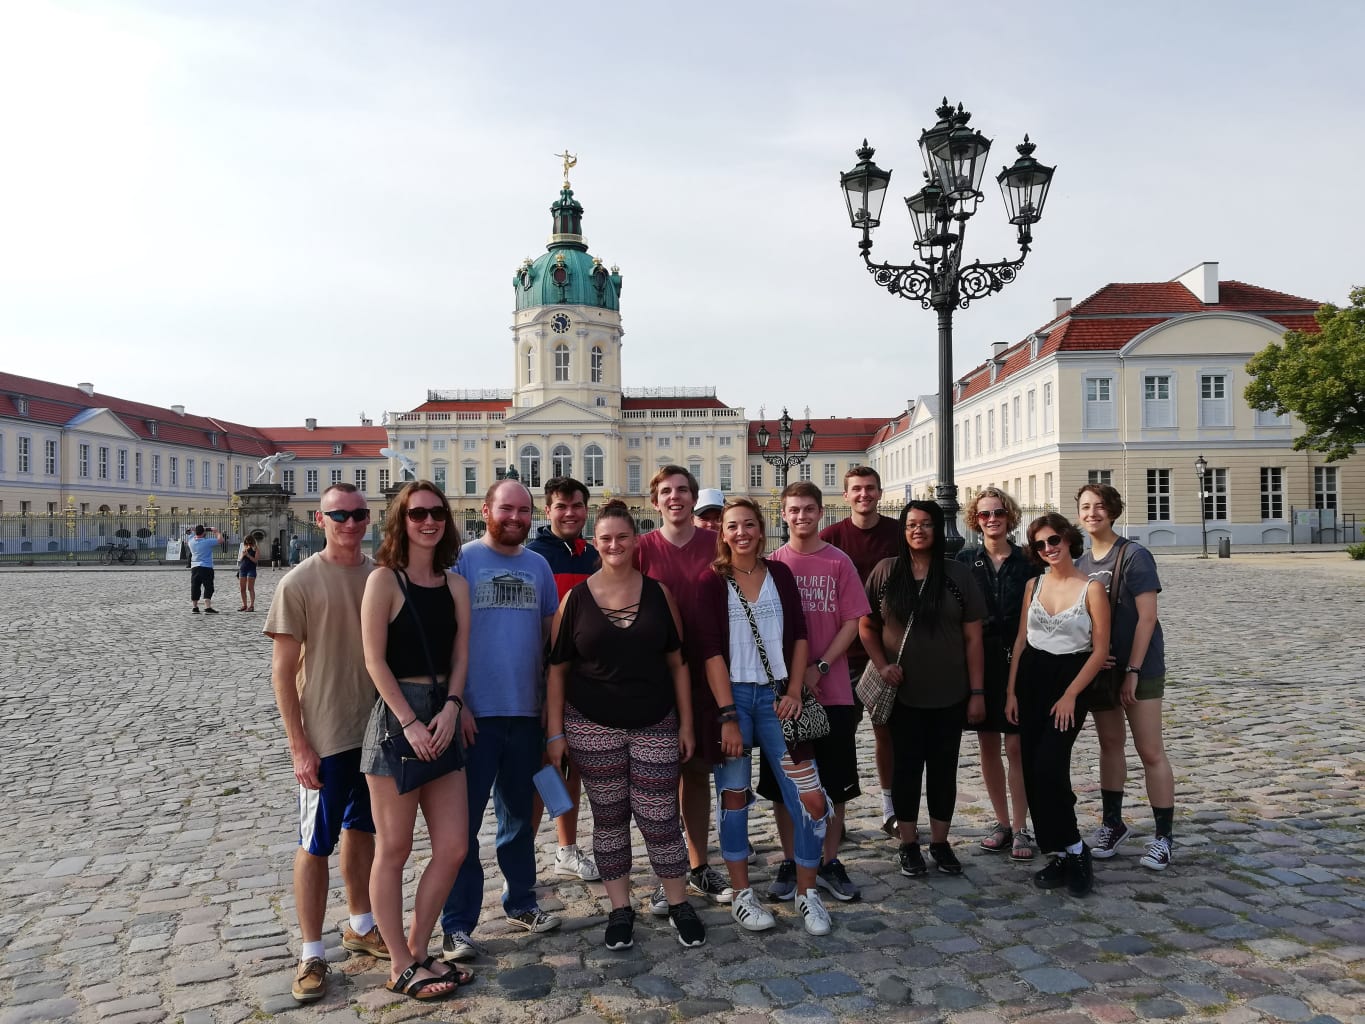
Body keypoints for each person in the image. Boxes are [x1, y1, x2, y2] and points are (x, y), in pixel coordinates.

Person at [546, 500, 706, 950]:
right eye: (605, 538)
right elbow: (557, 670)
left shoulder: (658, 594)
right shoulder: (575, 600)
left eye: (622, 537)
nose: (614, 544)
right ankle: (620, 909)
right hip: (591, 725)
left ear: (636, 542)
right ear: (594, 544)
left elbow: (678, 664)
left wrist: (687, 725)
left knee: (660, 817)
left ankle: (678, 903)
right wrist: (555, 733)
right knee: (609, 819)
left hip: (655, 720)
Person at [264, 483, 386, 1004]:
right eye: (341, 515)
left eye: (359, 514)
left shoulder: (381, 574)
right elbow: (282, 671)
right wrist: (298, 744)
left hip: (376, 732)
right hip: (326, 731)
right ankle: (311, 950)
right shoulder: (299, 582)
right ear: (320, 519)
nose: (351, 523)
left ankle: (360, 923)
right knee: (315, 844)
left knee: (364, 830)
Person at [697, 497, 834, 936]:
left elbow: (798, 635)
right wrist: (727, 716)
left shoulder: (780, 574)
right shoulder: (711, 581)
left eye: (749, 524)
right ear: (723, 532)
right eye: (733, 525)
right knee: (734, 799)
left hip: (779, 697)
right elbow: (711, 652)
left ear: (761, 529)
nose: (741, 532)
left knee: (811, 801)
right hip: (733, 697)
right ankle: (741, 894)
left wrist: (794, 689)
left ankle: (807, 893)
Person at [439, 479, 562, 964]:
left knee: (518, 819)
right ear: (486, 510)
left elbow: (551, 642)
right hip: (474, 715)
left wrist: (553, 717)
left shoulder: (539, 566)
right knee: (462, 826)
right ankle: (457, 924)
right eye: (506, 508)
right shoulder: (464, 561)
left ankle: (521, 901)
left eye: (524, 510)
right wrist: (457, 702)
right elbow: (445, 636)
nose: (515, 517)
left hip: (525, 713)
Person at [360, 481, 472, 1001]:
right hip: (397, 719)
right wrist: (409, 721)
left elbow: (461, 657)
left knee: (452, 846)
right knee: (395, 847)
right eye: (417, 513)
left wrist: (451, 707)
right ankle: (401, 963)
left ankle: (420, 947)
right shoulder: (384, 580)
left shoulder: (455, 586)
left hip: (443, 714)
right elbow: (374, 660)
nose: (428, 521)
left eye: (437, 513)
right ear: (401, 521)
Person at [859, 501, 986, 879]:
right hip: (903, 693)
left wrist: (977, 692)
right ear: (903, 530)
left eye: (926, 524)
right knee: (906, 769)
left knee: (944, 769)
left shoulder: (957, 575)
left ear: (937, 529)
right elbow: (866, 624)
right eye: (911, 524)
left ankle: (941, 843)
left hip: (949, 690)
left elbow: (974, 639)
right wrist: (882, 664)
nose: (918, 530)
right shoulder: (886, 572)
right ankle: (908, 843)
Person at [759, 482, 870, 904]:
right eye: (793, 509)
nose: (801, 516)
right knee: (785, 783)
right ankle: (790, 859)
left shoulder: (838, 562)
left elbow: (851, 620)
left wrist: (820, 667)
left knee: (835, 785)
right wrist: (791, 678)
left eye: (808, 509)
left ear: (821, 512)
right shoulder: (772, 564)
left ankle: (827, 860)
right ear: (783, 514)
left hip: (834, 690)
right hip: (784, 695)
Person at [635, 465, 733, 911]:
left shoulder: (717, 544)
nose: (675, 498)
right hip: (653, 674)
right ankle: (665, 870)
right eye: (667, 492)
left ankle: (697, 864)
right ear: (655, 501)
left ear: (694, 498)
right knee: (659, 778)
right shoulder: (641, 549)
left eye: (683, 491)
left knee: (696, 771)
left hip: (707, 669)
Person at [1006, 513, 1110, 897]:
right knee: (1033, 771)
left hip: (1069, 681)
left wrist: (1070, 694)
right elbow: (1020, 642)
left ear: (1068, 540)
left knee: (1050, 766)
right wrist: (1011, 692)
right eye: (1040, 545)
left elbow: (1099, 652)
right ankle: (1059, 853)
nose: (1048, 549)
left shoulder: (1092, 589)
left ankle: (1078, 851)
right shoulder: (1033, 585)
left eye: (1054, 541)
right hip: (1031, 677)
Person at [1075, 483, 1176, 871]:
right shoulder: (1082, 563)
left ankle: (1164, 836)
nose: (1092, 513)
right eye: (1085, 507)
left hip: (1141, 667)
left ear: (1113, 511)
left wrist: (1132, 670)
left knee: (1150, 751)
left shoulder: (1133, 555)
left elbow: (1147, 618)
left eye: (1099, 506)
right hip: (1103, 673)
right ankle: (1113, 824)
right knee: (1110, 746)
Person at [956, 487, 1040, 861]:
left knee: (1017, 746)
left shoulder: (1027, 561)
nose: (992, 520)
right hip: (980, 661)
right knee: (987, 744)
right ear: (976, 519)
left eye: (999, 513)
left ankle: (1023, 827)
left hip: (1021, 660)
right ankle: (1002, 822)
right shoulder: (964, 560)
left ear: (1010, 517)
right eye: (985, 514)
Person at [526, 476, 601, 883]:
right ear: (548, 510)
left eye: (576, 506)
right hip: (542, 676)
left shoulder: (594, 555)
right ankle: (523, 860)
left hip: (586, 678)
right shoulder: (534, 556)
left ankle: (567, 849)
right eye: (561, 506)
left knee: (571, 768)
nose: (570, 513)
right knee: (543, 769)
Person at [819, 467, 901, 836]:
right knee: (840, 738)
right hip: (844, 654)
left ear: (880, 493)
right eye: (857, 489)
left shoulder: (898, 534)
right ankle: (839, 819)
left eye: (870, 488)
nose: (864, 494)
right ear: (846, 495)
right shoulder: (830, 538)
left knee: (887, 732)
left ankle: (890, 807)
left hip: (888, 650)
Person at [187, 524, 220, 614]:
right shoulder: (207, 542)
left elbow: (189, 531)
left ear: (196, 532)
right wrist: (215, 531)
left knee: (195, 586)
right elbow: (221, 540)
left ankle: (195, 607)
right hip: (206, 567)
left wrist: (195, 530)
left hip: (195, 567)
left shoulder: (191, 541)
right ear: (204, 532)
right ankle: (207, 607)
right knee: (208, 587)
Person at [238, 536, 259, 612]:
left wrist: (248, 555)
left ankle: (252, 606)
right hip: (243, 569)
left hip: (251, 569)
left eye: (249, 541)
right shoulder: (244, 547)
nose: (248, 543)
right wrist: (243, 555)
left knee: (250, 588)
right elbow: (240, 559)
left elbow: (255, 561)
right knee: (242, 589)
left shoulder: (255, 549)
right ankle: (244, 605)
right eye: (246, 541)